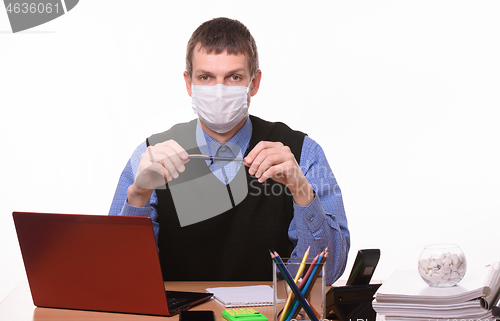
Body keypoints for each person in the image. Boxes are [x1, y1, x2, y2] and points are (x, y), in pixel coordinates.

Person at [109, 17, 350, 284]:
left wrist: (301, 190)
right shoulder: (150, 156)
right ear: (189, 83)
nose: (219, 91)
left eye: (234, 77)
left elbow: (328, 274)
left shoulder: (303, 153)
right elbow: (120, 276)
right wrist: (139, 195)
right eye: (206, 77)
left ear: (254, 83)